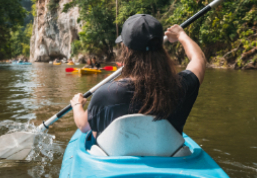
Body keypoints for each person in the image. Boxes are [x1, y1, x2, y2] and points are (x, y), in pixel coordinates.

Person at [71, 14, 206, 137]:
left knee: (95, 130)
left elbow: (83, 126)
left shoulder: (107, 93)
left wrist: (77, 105)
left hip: (117, 158)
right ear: (161, 48)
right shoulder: (181, 86)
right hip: (170, 154)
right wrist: (181, 35)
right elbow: (198, 59)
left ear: (127, 49)